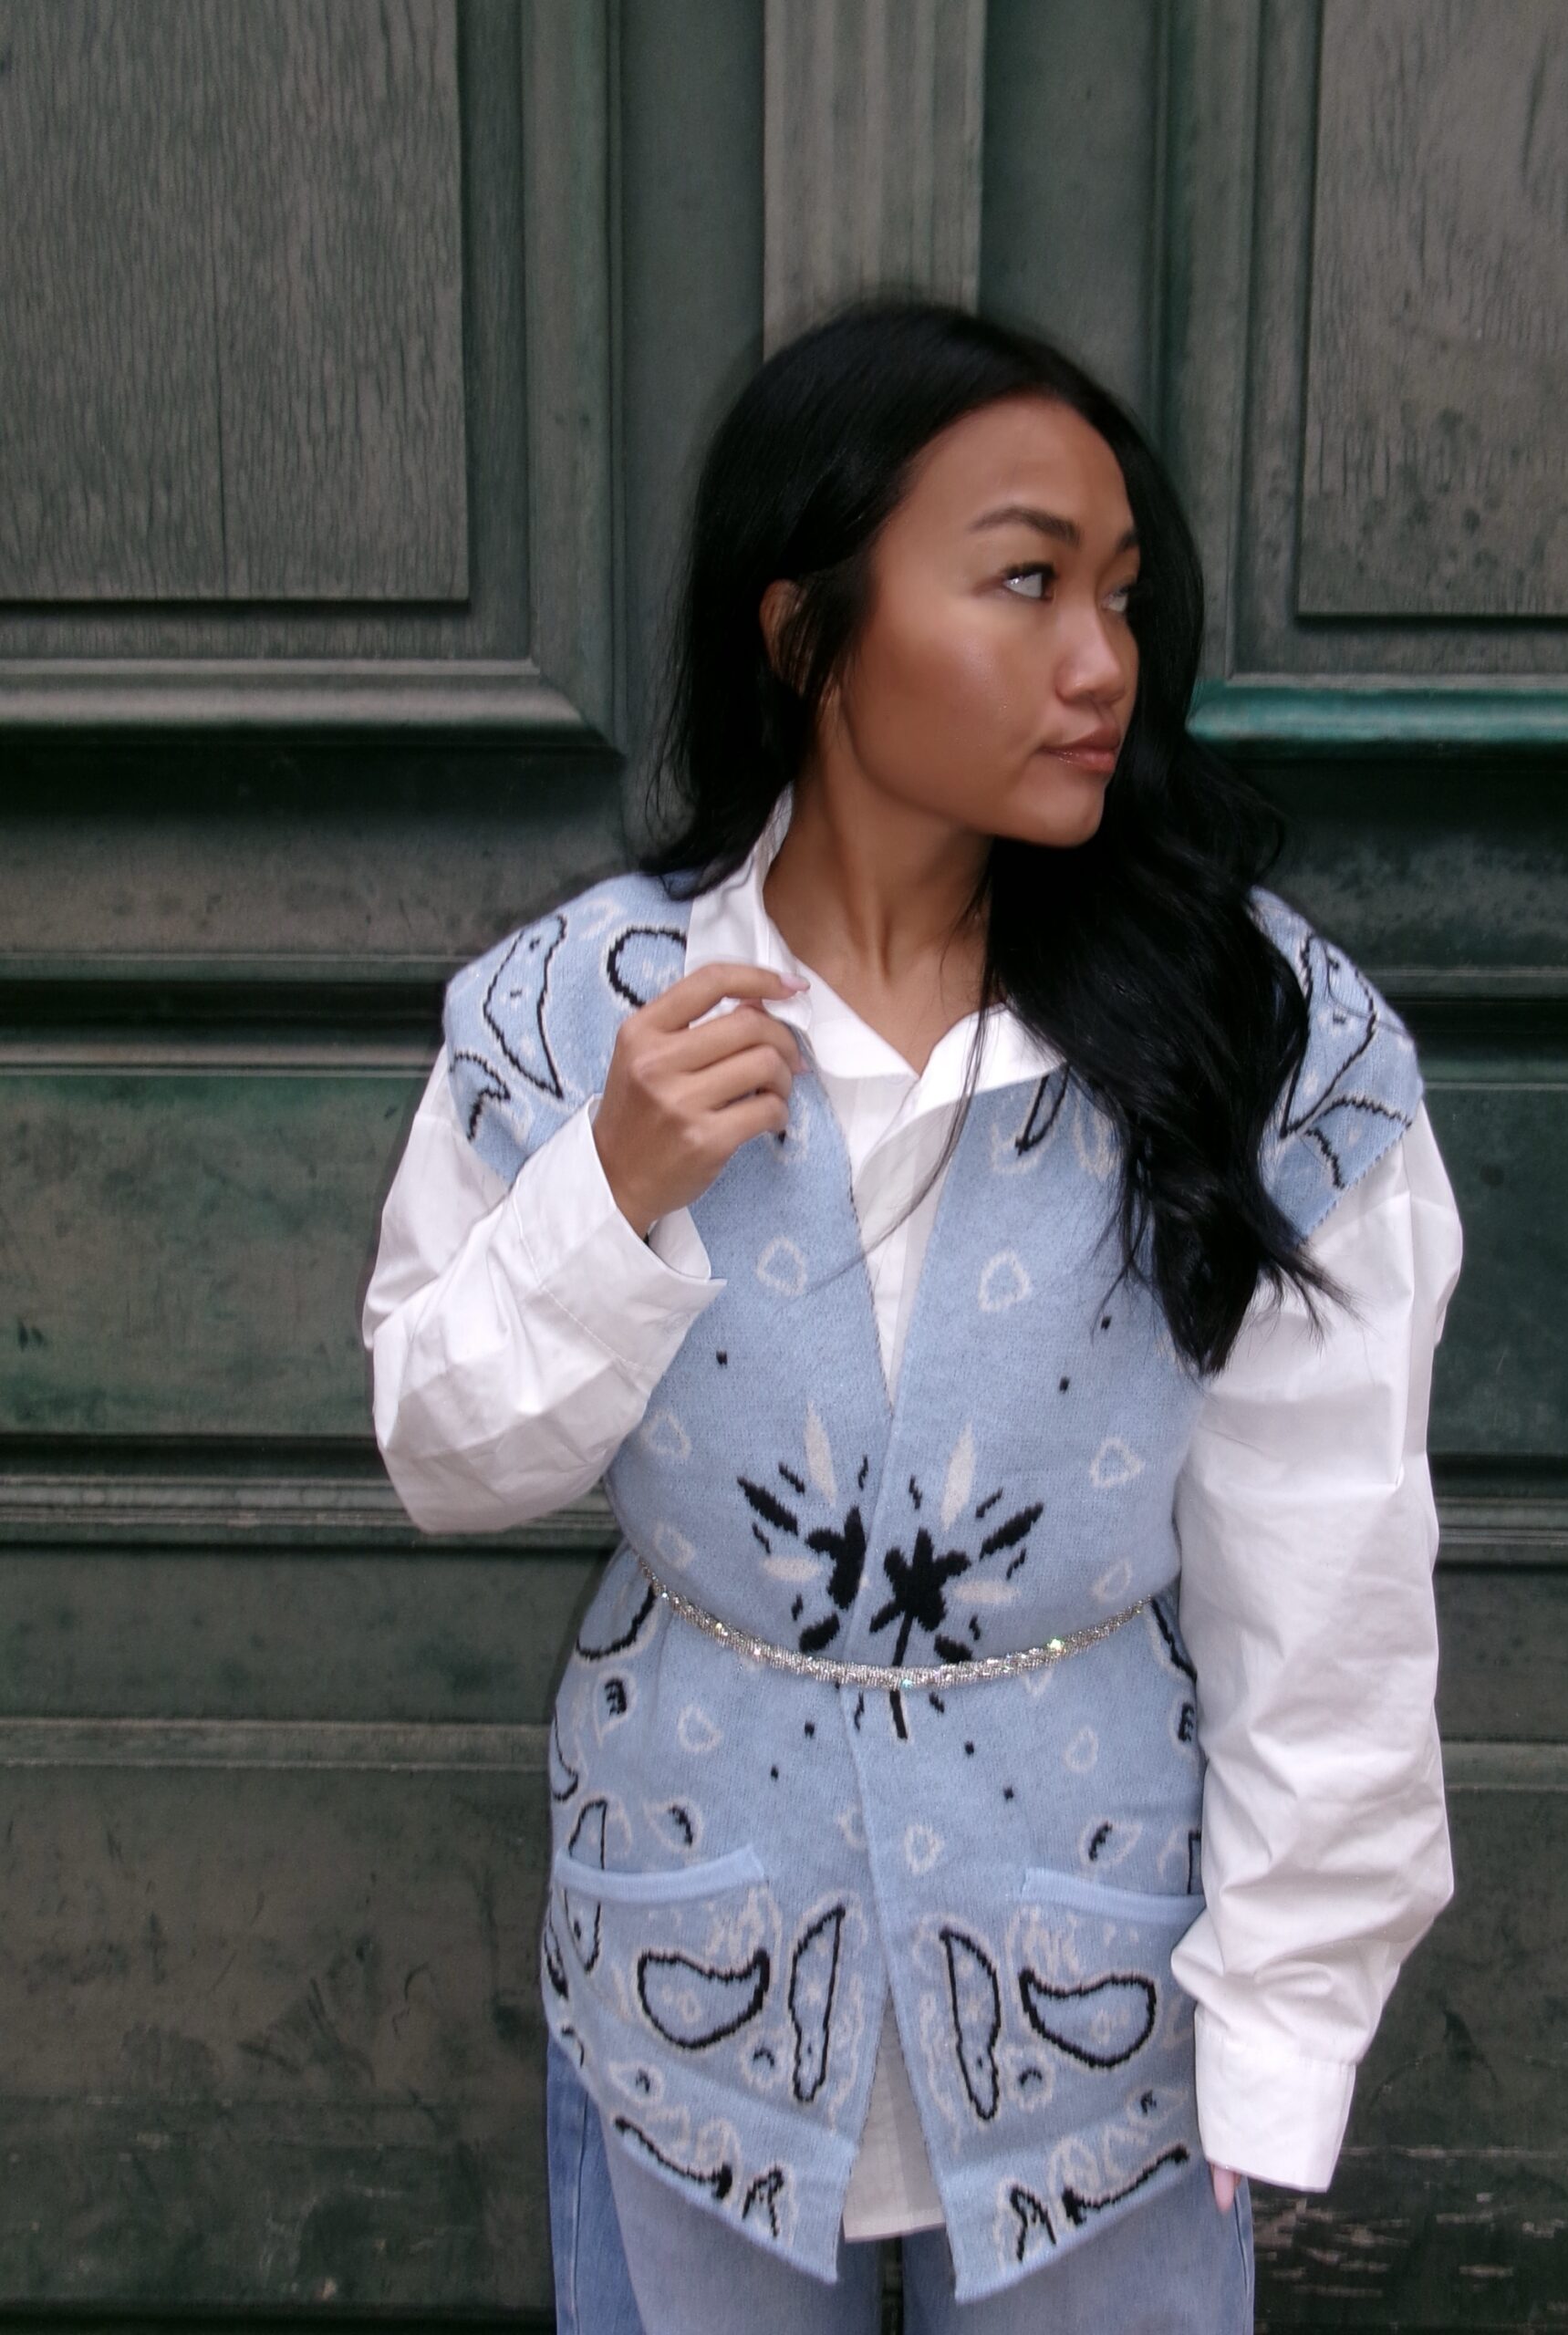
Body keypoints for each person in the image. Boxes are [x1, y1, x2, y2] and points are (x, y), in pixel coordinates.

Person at [361, 298, 1463, 2331]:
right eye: (1028, 581)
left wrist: (1287, 2017)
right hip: (686, 1985)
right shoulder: (569, 1016)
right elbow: (444, 1450)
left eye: (1120, 594)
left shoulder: (1260, 1036)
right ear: (805, 634)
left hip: (1109, 2019)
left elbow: (1327, 1570)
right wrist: (610, 1191)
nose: (1102, 661)